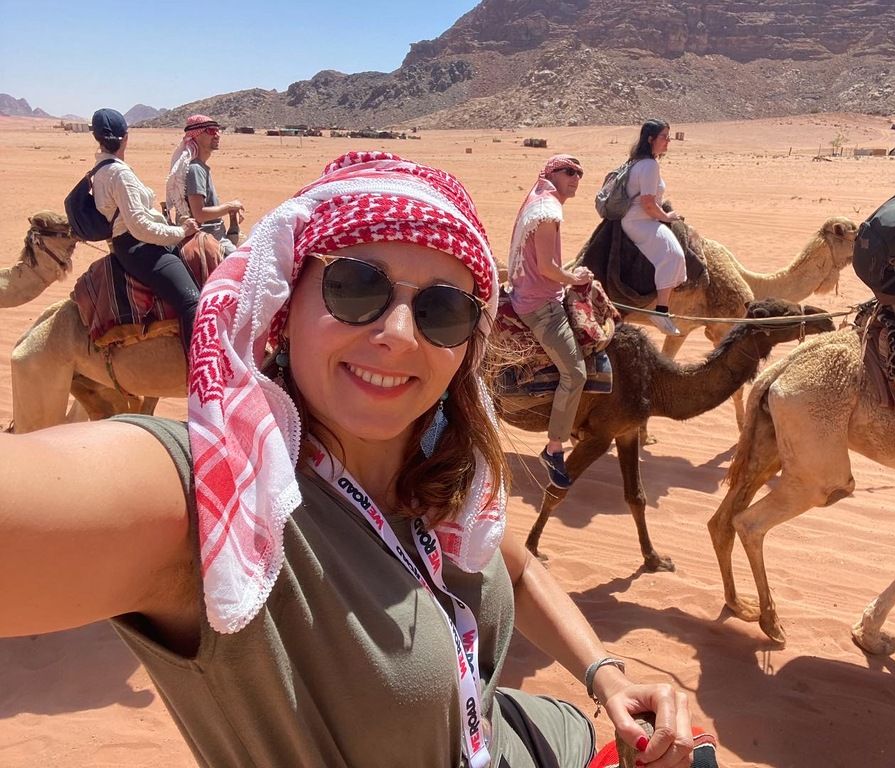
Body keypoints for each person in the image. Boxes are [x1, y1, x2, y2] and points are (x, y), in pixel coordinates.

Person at [2, 152, 706, 767]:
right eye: (356, 288)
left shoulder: (438, 464)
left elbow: (509, 566)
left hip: (537, 738)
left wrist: (605, 672)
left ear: (468, 342)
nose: (399, 335)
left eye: (442, 312)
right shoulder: (219, 498)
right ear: (285, 300)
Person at [508, 155, 592, 489]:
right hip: (540, 305)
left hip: (536, 293)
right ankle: (554, 447)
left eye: (579, 174)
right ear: (551, 174)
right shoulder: (548, 211)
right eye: (569, 172)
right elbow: (546, 268)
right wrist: (576, 278)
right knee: (576, 373)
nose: (575, 178)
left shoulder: (540, 201)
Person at [89, 107, 201, 354]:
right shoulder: (119, 174)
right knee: (192, 301)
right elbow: (139, 226)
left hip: (131, 244)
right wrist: (180, 232)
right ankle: (200, 376)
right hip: (139, 247)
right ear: (126, 137)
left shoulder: (100, 171)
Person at [620, 119, 688, 336]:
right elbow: (648, 203)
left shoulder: (638, 162)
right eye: (664, 137)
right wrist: (667, 217)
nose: (668, 141)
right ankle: (661, 311)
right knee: (674, 255)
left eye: (668, 136)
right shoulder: (649, 165)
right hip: (640, 222)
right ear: (650, 139)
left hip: (637, 219)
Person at [166, 114, 245, 255]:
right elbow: (199, 214)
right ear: (196, 136)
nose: (217, 135)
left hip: (215, 234)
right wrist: (230, 207)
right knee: (244, 265)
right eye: (210, 131)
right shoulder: (196, 169)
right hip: (211, 238)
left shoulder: (200, 167)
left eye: (217, 130)